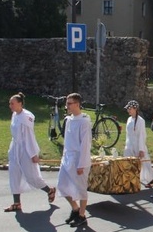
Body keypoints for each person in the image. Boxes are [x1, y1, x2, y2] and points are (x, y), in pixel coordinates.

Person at [4, 92, 56, 212]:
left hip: (26, 150)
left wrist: (33, 154)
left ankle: (50, 190)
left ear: (20, 103)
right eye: (9, 103)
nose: (10, 105)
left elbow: (29, 137)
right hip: (15, 149)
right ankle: (16, 203)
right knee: (14, 175)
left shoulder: (26, 117)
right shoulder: (15, 115)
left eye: (12, 103)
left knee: (32, 177)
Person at [57, 93, 92, 227]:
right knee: (62, 185)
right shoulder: (68, 119)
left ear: (77, 104)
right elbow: (67, 141)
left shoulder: (84, 121)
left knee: (81, 189)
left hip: (79, 159)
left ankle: (82, 215)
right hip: (67, 158)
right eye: (67, 103)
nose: (67, 106)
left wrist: (81, 164)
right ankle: (75, 209)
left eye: (70, 103)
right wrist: (64, 157)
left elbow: (85, 144)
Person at [123, 100, 153, 184]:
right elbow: (127, 134)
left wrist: (141, 149)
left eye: (130, 109)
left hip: (138, 144)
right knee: (129, 162)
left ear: (135, 109)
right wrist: (126, 145)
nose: (128, 110)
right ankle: (130, 180)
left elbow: (142, 135)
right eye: (128, 109)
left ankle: (149, 179)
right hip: (129, 144)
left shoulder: (141, 121)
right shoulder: (129, 119)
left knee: (144, 162)